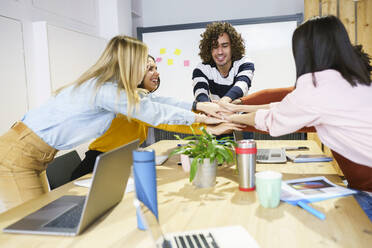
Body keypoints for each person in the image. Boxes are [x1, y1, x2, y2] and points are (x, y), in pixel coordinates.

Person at [0, 35, 228, 213]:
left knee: (40, 218)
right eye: (144, 64)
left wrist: (199, 106)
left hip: (33, 154)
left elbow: (155, 100)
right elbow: (153, 112)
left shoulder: (113, 89)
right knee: (32, 224)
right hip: (18, 155)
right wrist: (201, 118)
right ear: (130, 64)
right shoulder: (105, 91)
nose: (147, 69)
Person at [222, 16, 372, 220]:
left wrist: (229, 118)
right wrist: (235, 107)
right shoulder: (352, 80)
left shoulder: (318, 87)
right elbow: (283, 105)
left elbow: (273, 119)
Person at [71, 55, 243, 180]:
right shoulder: (129, 100)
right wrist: (208, 127)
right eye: (150, 69)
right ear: (135, 73)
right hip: (99, 164)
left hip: (118, 160)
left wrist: (205, 113)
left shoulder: (143, 98)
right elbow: (166, 120)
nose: (157, 73)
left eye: (156, 68)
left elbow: (170, 107)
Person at [192, 22, 255, 104]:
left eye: (224, 46)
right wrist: (208, 107)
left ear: (233, 46)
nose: (220, 52)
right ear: (209, 49)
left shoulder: (245, 63)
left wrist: (223, 102)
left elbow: (241, 86)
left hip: (241, 114)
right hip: (214, 113)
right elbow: (200, 93)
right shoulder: (202, 69)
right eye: (215, 47)